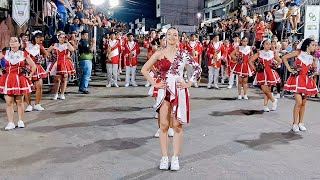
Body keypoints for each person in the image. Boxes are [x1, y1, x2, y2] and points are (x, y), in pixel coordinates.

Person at [141, 28, 201, 171]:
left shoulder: (183, 54)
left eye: (175, 35)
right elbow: (144, 69)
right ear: (166, 37)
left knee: (177, 126)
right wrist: (155, 83)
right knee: (163, 125)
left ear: (178, 38)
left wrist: (188, 83)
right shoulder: (159, 53)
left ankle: (175, 157)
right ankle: (164, 157)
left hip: (179, 92)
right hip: (164, 92)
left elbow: (197, 68)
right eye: (170, 35)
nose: (172, 37)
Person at [0, 37, 36, 130]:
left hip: (19, 79)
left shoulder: (23, 54)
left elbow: (33, 65)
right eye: (11, 41)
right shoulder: (5, 53)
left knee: (19, 101)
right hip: (8, 79)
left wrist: (30, 75)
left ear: (19, 44)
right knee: (9, 102)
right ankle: (10, 122)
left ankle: (20, 121)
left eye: (15, 41)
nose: (12, 42)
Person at [282, 38, 318, 132]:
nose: (315, 47)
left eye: (315, 45)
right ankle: (294, 124)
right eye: (313, 45)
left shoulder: (312, 57)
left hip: (306, 81)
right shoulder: (298, 53)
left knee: (304, 103)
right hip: (297, 80)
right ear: (307, 45)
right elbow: (284, 58)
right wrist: (290, 69)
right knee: (299, 102)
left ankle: (301, 123)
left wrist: (314, 67)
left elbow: (314, 70)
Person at [249, 39, 281, 112]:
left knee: (268, 90)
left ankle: (265, 106)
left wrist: (275, 66)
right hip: (262, 73)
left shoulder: (273, 53)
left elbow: (280, 60)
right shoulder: (259, 53)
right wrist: (255, 69)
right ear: (263, 45)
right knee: (265, 89)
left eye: (269, 44)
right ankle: (274, 100)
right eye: (266, 44)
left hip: (270, 73)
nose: (268, 45)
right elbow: (250, 61)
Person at [47, 32, 76, 100]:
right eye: (61, 37)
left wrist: (67, 42)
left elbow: (72, 49)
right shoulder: (54, 45)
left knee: (64, 78)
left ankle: (62, 93)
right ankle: (56, 93)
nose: (62, 39)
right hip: (57, 63)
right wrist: (50, 57)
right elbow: (47, 51)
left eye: (63, 37)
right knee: (57, 79)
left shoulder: (66, 45)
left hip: (65, 63)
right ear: (58, 38)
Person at [24, 31, 48, 112]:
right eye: (40, 39)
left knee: (39, 86)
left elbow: (46, 53)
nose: (41, 41)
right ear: (35, 38)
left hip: (37, 68)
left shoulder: (40, 46)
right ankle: (29, 105)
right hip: (27, 68)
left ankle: (37, 104)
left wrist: (42, 58)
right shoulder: (26, 45)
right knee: (27, 88)